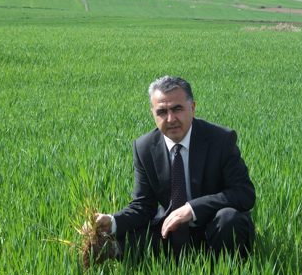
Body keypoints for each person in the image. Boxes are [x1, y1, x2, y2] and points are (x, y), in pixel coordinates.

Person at [95, 76, 255, 260]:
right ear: (153, 113)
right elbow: (143, 205)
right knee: (124, 241)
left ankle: (227, 270)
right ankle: (116, 251)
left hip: (215, 225)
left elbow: (244, 193)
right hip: (170, 229)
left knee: (229, 219)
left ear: (192, 108)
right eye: (162, 112)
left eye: (177, 109)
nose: (171, 119)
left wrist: (192, 209)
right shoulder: (144, 147)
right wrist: (113, 222)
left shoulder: (220, 139)